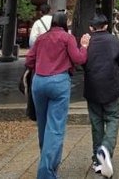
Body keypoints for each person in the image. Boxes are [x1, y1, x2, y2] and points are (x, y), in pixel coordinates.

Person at [25, 10, 88, 179]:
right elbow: (78, 59)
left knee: (43, 125)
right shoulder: (67, 38)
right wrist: (84, 47)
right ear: (64, 23)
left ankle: (47, 162)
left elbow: (29, 60)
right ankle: (46, 172)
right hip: (59, 82)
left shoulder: (41, 38)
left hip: (39, 82)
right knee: (56, 127)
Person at [83, 13, 119, 177]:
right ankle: (105, 150)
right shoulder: (113, 40)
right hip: (111, 87)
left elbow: (81, 60)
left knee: (96, 123)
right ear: (107, 26)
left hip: (92, 88)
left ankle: (97, 160)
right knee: (113, 119)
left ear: (91, 28)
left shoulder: (88, 41)